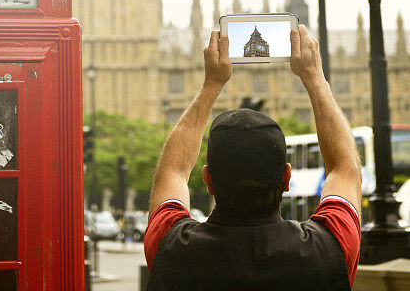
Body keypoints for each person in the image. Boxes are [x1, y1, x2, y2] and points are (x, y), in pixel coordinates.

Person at [144, 25, 362, 290]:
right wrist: (315, 77)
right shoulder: (329, 249)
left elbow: (173, 171)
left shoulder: (172, 246)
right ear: (286, 177)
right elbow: (345, 169)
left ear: (208, 181)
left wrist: (212, 84)